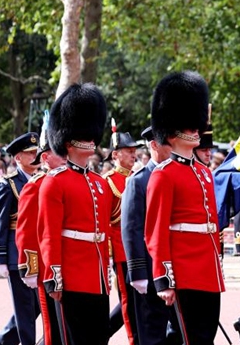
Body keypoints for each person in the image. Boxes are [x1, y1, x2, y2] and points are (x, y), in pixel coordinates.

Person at [145, 71, 225, 344]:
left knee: (205, 338)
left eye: (195, 126)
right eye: (187, 126)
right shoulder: (163, 174)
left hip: (207, 272)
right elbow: (155, 232)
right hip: (183, 271)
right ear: (171, 131)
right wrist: (164, 278)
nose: (194, 130)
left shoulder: (204, 173)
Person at [39, 83, 112, 344]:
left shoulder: (100, 183)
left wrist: (106, 274)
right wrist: (54, 275)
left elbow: (103, 234)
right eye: (84, 134)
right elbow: (49, 234)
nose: (91, 139)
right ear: (68, 142)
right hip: (70, 277)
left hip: (98, 278)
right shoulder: (54, 182)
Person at [122, 126, 182, 345]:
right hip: (149, 268)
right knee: (152, 332)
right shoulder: (139, 180)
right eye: (167, 143)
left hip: (177, 267)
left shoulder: (176, 174)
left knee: (177, 332)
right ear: (154, 145)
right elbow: (132, 229)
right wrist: (138, 271)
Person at [16, 113, 66, 345]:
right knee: (52, 327)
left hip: (68, 263)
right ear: (46, 157)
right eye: (59, 153)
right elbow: (25, 231)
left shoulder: (67, 182)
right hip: (46, 268)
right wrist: (31, 267)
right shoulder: (35, 186)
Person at [0, 132, 42, 345]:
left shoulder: (44, 180)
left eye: (36, 152)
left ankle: (3, 341)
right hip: (16, 253)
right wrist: (0, 258)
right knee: (24, 308)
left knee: (38, 306)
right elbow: (0, 223)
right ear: (17, 158)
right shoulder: (9, 183)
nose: (35, 156)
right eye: (29, 153)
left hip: (40, 251)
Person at [104, 120, 141, 344]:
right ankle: (132, 338)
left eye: (134, 151)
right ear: (115, 155)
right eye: (128, 151)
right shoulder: (110, 181)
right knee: (127, 301)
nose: (133, 155)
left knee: (139, 299)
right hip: (120, 251)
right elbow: (107, 221)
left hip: (139, 249)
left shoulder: (135, 177)